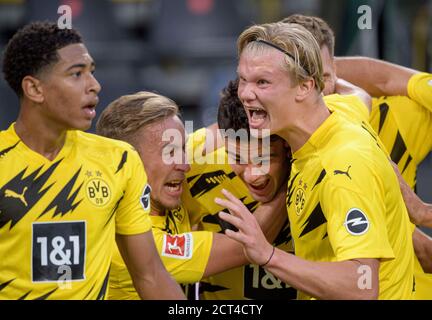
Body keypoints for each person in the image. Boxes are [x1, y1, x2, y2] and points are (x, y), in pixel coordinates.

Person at [219, 21, 415, 299]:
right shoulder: (338, 111)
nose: (246, 95)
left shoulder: (342, 166)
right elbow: (359, 95)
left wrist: (268, 255)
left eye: (263, 82)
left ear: (304, 87)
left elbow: (361, 287)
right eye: (243, 79)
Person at [0, 21, 184, 300]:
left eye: (92, 72)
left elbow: (151, 276)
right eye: (76, 74)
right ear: (35, 89)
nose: (94, 85)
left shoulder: (119, 160)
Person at [282, 14, 432, 299]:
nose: (314, 89)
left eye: (322, 77)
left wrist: (423, 213)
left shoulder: (397, 116)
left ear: (337, 72)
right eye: (302, 78)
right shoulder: (267, 140)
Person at [95, 91, 287, 300]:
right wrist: (293, 167)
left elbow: (231, 128)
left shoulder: (162, 180)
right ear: (128, 162)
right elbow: (247, 246)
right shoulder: (134, 241)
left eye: (184, 149)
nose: (186, 165)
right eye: (170, 152)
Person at [184, 79, 295, 300]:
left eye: (264, 159)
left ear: (288, 144)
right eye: (238, 158)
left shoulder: (324, 157)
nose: (254, 175)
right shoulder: (190, 163)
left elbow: (363, 96)